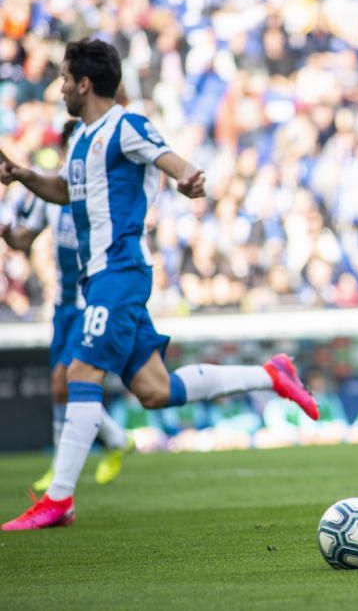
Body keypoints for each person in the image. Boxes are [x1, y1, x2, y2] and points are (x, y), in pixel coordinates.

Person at [0, 38, 318, 531]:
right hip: (101, 280)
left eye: (64, 78)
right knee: (154, 390)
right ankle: (271, 375)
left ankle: (59, 499)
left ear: (84, 83)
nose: (59, 87)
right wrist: (22, 175)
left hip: (120, 273)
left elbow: (172, 159)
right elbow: (64, 191)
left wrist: (188, 178)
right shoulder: (82, 140)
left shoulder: (124, 125)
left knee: (81, 374)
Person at [1, 119, 133, 491]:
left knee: (64, 383)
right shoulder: (52, 195)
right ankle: (116, 439)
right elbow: (25, 240)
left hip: (91, 299)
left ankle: (62, 472)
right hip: (62, 303)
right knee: (64, 387)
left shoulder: (101, 192)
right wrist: (10, 235)